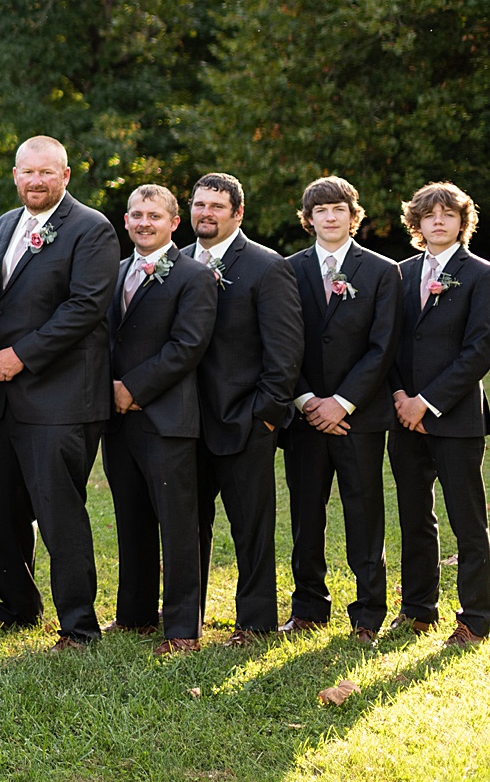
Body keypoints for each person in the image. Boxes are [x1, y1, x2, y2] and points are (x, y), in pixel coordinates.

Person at [0, 134, 119, 650]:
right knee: (6, 510)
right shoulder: (1, 227)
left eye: (47, 172)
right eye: (28, 171)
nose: (36, 181)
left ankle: (79, 626)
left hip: (61, 398)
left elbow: (85, 308)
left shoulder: (91, 228)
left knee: (60, 514)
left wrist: (21, 355)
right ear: (15, 175)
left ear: (65, 176)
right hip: (2, 397)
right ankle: (18, 606)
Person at [186, 172, 303, 644]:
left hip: (244, 421)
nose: (206, 213)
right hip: (184, 423)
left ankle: (255, 622)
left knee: (251, 530)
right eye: (199, 204)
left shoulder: (266, 267)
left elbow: (285, 352)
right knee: (187, 527)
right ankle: (185, 617)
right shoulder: (176, 262)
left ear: (237, 213)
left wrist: (266, 416)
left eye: (217, 206)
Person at [282, 175, 399, 640]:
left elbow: (383, 346)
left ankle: (368, 614)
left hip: (360, 418)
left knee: (364, 514)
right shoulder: (287, 270)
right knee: (305, 516)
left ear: (354, 216)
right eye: (321, 210)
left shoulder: (382, 271)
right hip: (305, 417)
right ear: (308, 219)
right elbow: (280, 343)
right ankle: (308, 607)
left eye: (339, 209)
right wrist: (309, 401)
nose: (330, 217)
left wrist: (343, 403)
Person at [388, 181, 490, 646]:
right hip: (404, 419)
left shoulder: (482, 274)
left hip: (455, 418)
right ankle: (418, 610)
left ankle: (475, 618)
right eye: (429, 215)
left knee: (467, 521)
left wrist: (427, 401)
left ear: (462, 223)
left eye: (448, 215)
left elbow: (480, 350)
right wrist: (401, 396)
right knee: (414, 517)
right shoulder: (399, 273)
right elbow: (388, 342)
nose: (439, 222)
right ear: (416, 222)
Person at [101, 185, 216, 656]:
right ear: (126, 221)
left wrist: (132, 388)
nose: (144, 223)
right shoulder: (113, 272)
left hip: (168, 418)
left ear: (174, 223)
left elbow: (188, 346)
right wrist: (109, 389)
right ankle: (135, 613)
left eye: (154, 215)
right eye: (136, 215)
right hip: (117, 419)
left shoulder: (194, 276)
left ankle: (183, 627)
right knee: (131, 517)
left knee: (178, 524)